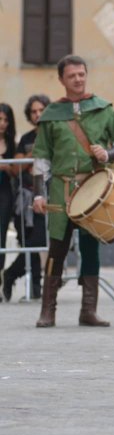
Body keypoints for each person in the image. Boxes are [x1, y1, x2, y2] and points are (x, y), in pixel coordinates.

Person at [31, 55, 114, 327]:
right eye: (72, 75)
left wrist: (108, 152)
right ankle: (48, 310)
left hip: (94, 189)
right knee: (57, 250)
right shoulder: (51, 114)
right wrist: (38, 194)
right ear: (61, 80)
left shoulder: (103, 109)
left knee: (91, 250)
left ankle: (88, 310)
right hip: (60, 189)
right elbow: (41, 160)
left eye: (81, 74)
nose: (78, 79)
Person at [3, 95, 50, 301]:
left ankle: (11, 273)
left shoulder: (54, 135)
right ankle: (35, 290)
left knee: (39, 239)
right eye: (34, 111)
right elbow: (17, 167)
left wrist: (30, 160)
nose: (38, 114)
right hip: (27, 197)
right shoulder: (27, 139)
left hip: (51, 194)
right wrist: (30, 161)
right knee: (28, 239)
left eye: (41, 110)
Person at [0, 103, 16, 301]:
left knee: (0, 236)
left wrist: (6, 167)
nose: (2, 124)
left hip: (4, 193)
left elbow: (15, 171)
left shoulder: (12, 143)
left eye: (5, 120)